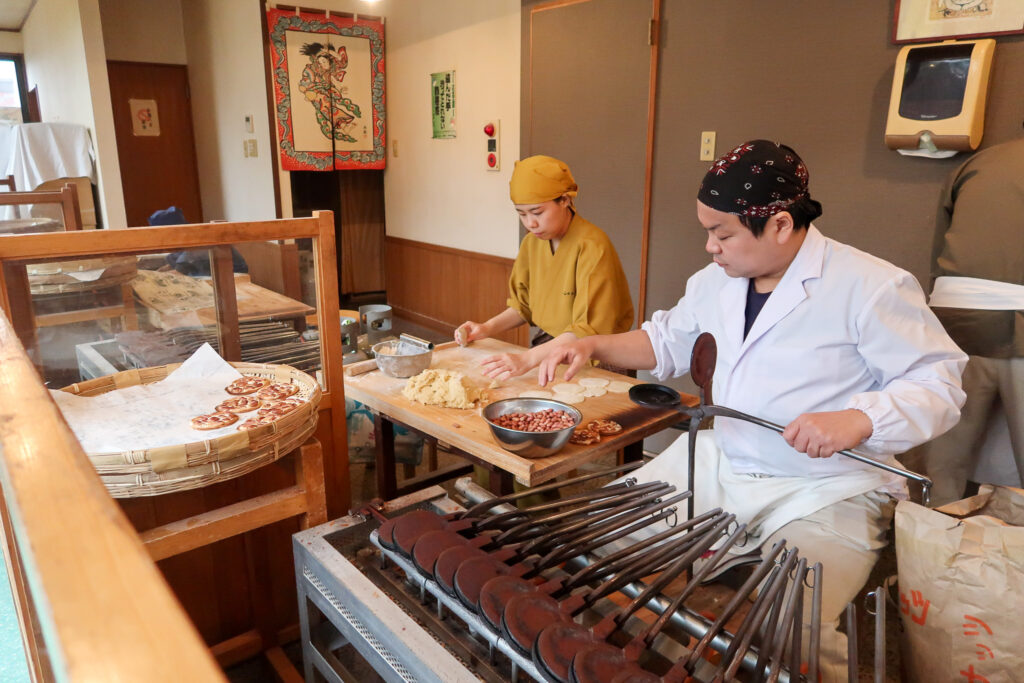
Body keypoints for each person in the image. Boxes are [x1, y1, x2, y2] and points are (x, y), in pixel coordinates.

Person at [520, 140, 967, 680]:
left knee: (789, 623)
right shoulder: (715, 282)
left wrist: (858, 419)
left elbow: (939, 383)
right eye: (708, 231)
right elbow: (665, 341)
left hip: (829, 485)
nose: (710, 247)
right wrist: (590, 344)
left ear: (779, 224)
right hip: (725, 460)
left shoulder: (870, 286)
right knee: (599, 541)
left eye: (723, 233)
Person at [915, 137, 1024, 506]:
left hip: (951, 320)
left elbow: (938, 251)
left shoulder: (976, 163)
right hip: (1016, 323)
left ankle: (928, 532)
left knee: (940, 461)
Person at [454, 154, 634, 377]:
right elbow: (523, 306)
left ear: (565, 200)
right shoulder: (531, 243)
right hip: (550, 348)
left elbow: (588, 330)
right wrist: (487, 328)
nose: (531, 223)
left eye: (537, 212)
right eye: (522, 214)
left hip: (597, 355)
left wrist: (527, 359)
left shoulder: (593, 246)